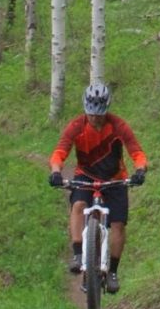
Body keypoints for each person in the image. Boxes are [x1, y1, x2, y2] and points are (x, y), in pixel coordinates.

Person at [49, 82, 146, 292]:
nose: (95, 119)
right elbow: (59, 152)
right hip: (86, 175)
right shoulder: (76, 126)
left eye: (100, 115)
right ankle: (77, 254)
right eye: (91, 114)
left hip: (115, 178)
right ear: (86, 109)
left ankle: (112, 272)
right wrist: (56, 171)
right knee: (78, 205)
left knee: (118, 224)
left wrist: (140, 171)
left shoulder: (119, 126)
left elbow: (137, 152)